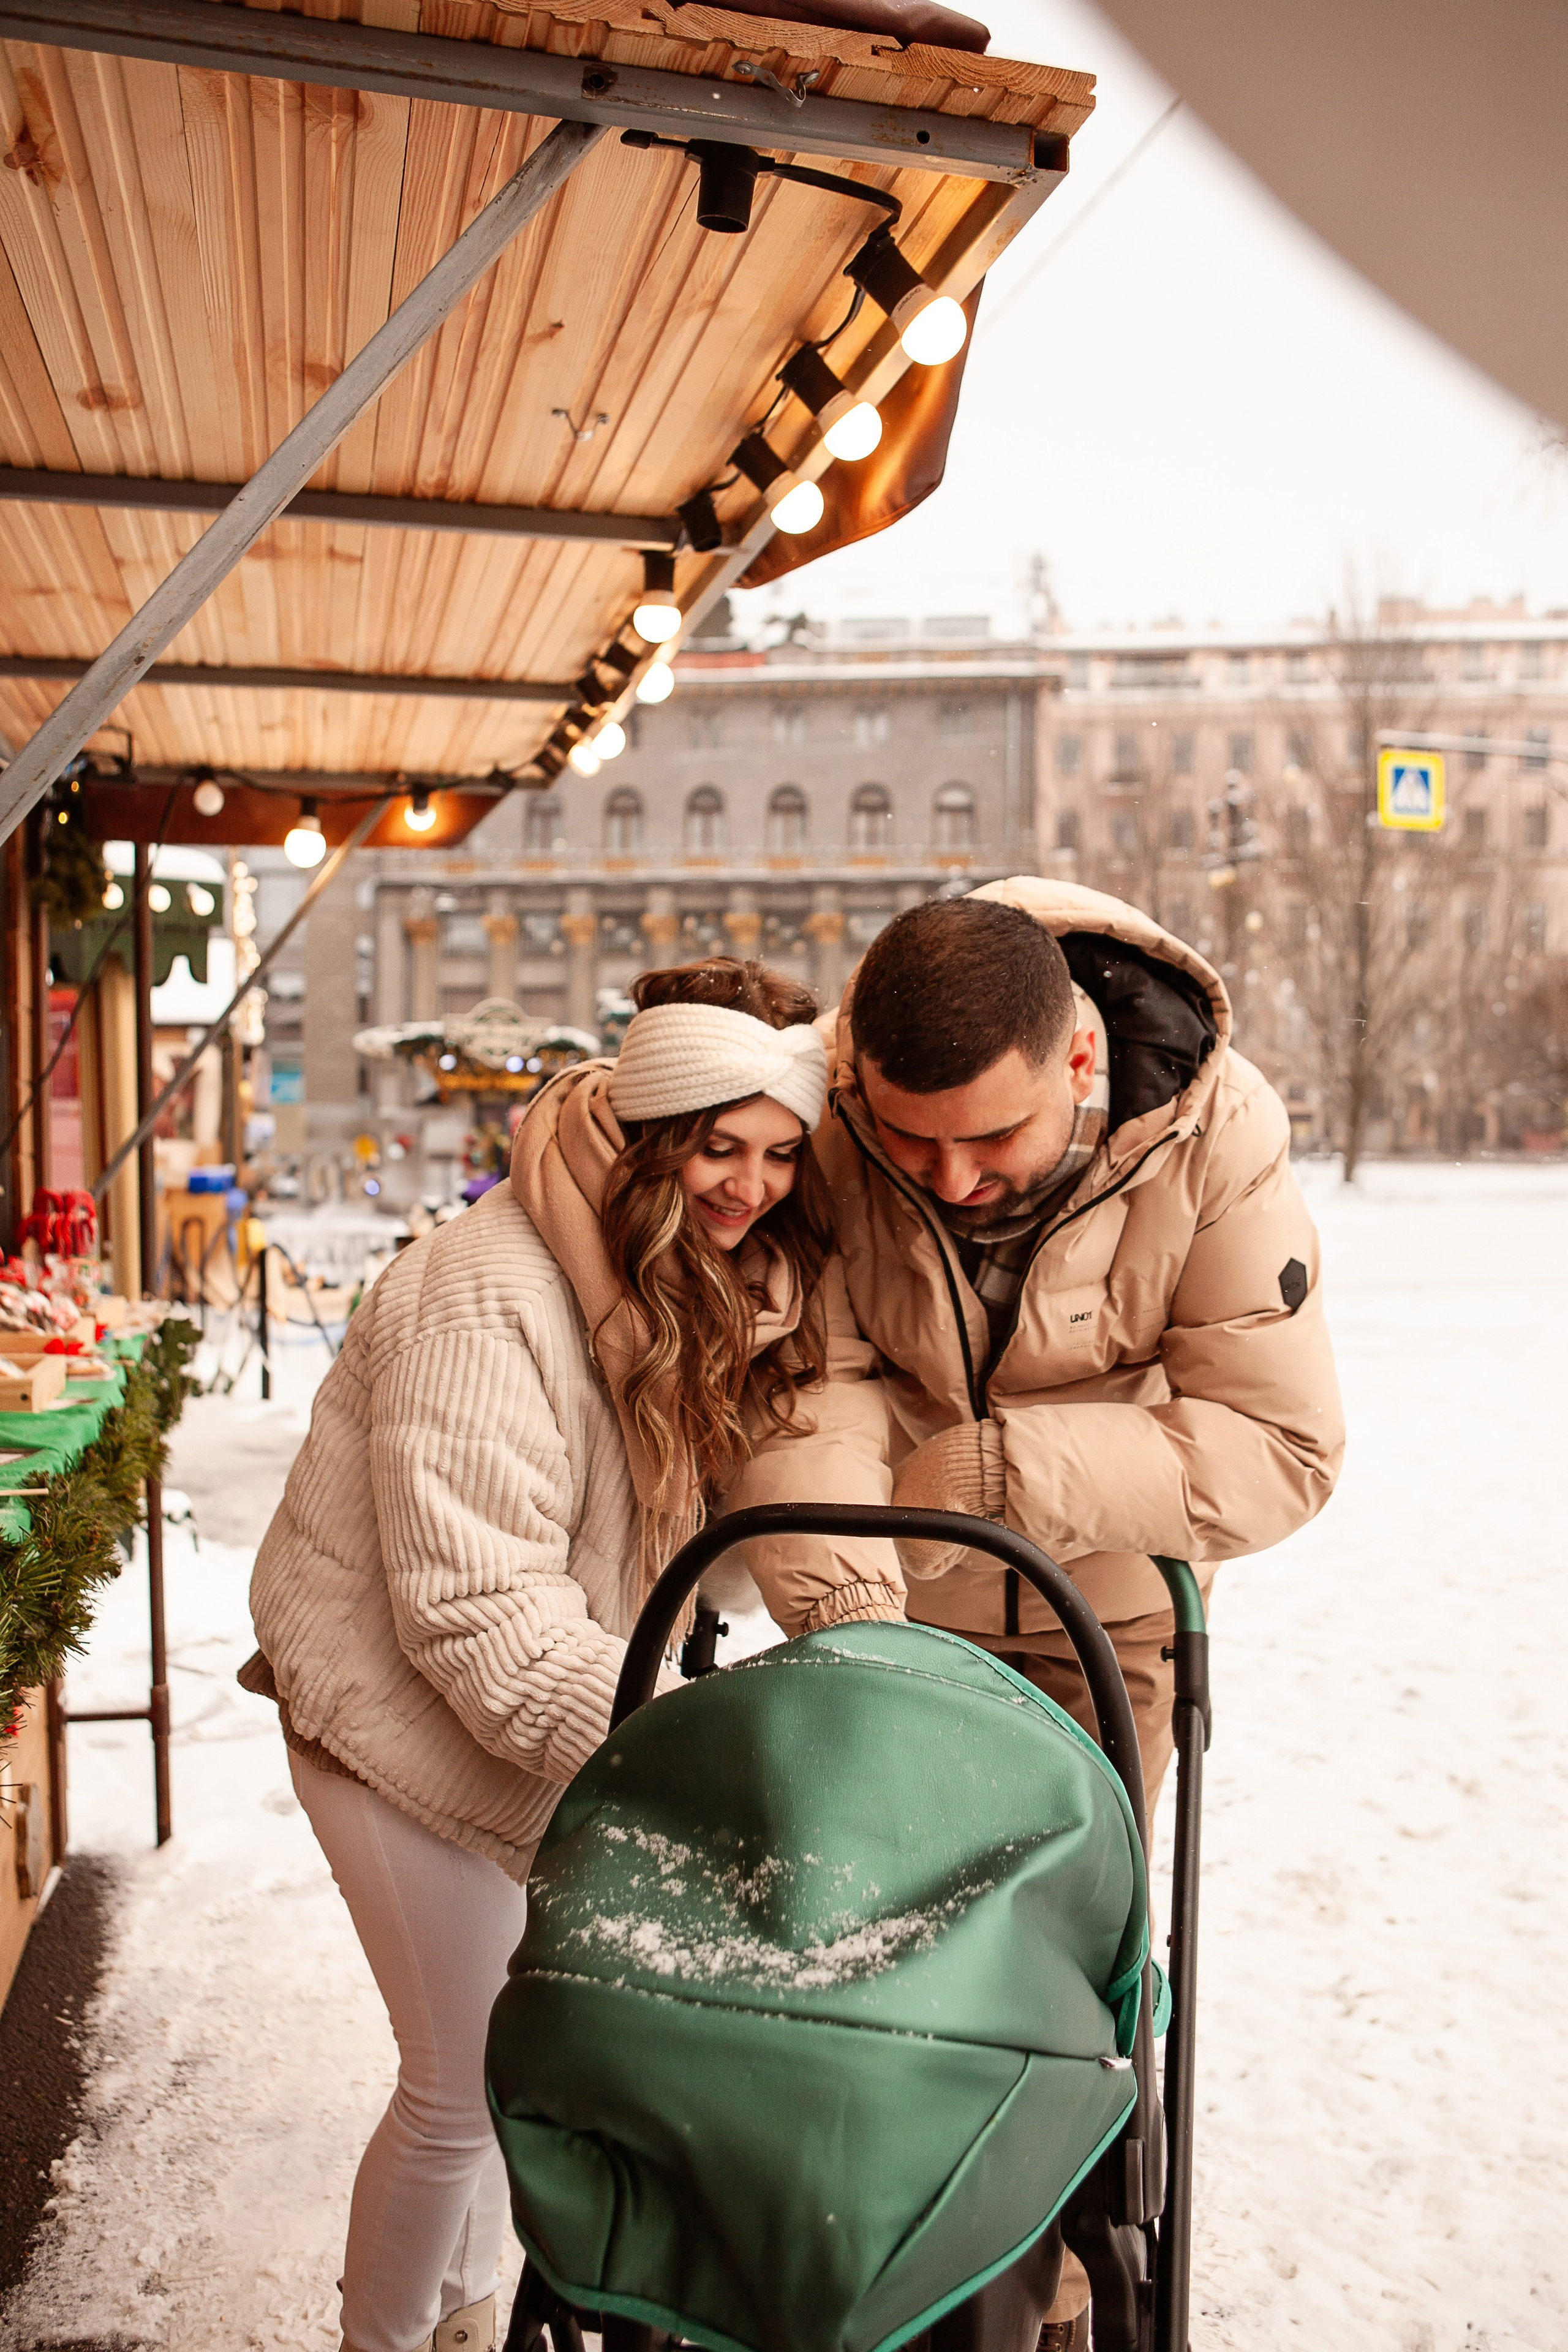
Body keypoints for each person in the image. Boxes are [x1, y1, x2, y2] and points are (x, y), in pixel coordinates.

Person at [241, 957, 902, 2352]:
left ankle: (465, 2322)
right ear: (651, 1133)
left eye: (781, 1152)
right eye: (718, 1147)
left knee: (513, 2071)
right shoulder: (488, 1294)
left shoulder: (676, 1277)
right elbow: (475, 1610)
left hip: (529, 1708)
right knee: (455, 2085)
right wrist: (688, 1750)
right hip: (386, 1710)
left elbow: (678, 1534)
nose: (751, 1185)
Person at [800, 878, 1346, 2350]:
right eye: (912, 1139)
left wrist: (1008, 1474)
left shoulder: (1211, 1133)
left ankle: (1046, 2287)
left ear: (1081, 1060)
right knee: (863, 1966)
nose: (949, 1176)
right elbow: (817, 1380)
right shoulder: (833, 1106)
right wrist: (850, 1588)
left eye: (989, 1137)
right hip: (890, 1619)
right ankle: (875, 2274)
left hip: (1101, 1629)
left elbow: (1281, 1448)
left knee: (1049, 1974)